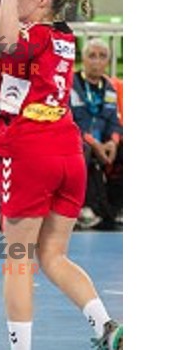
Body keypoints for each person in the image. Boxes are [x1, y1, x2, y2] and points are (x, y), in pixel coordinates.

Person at [0, 0, 123, 350]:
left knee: (18, 259)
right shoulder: (62, 37)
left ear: (43, 0)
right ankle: (107, 326)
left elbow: (7, 42)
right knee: (52, 254)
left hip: (31, 148)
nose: (15, 2)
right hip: (68, 149)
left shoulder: (36, 36)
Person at [70, 39, 123, 229]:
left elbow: (114, 122)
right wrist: (94, 143)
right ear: (82, 59)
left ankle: (119, 207)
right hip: (77, 140)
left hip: (103, 143)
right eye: (92, 56)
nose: (97, 61)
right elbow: (70, 121)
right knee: (82, 150)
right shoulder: (71, 84)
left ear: (108, 62)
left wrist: (114, 142)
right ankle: (83, 207)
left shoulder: (109, 88)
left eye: (102, 57)